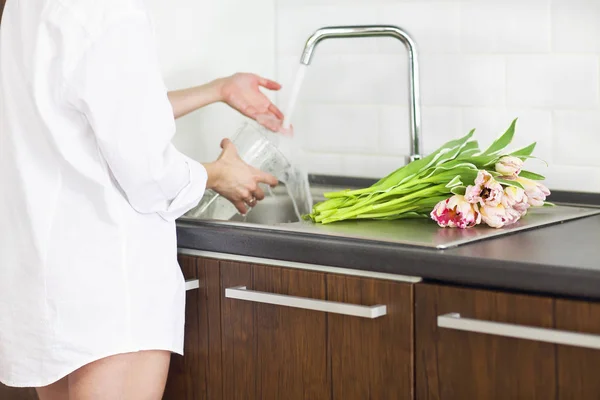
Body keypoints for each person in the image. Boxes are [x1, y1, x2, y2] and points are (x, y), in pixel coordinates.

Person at [0, 0, 288, 398]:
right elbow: (149, 173)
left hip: (50, 282)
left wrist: (216, 90)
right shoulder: (114, 10)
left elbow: (99, 112)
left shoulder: (26, 7)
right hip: (109, 286)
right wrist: (219, 173)